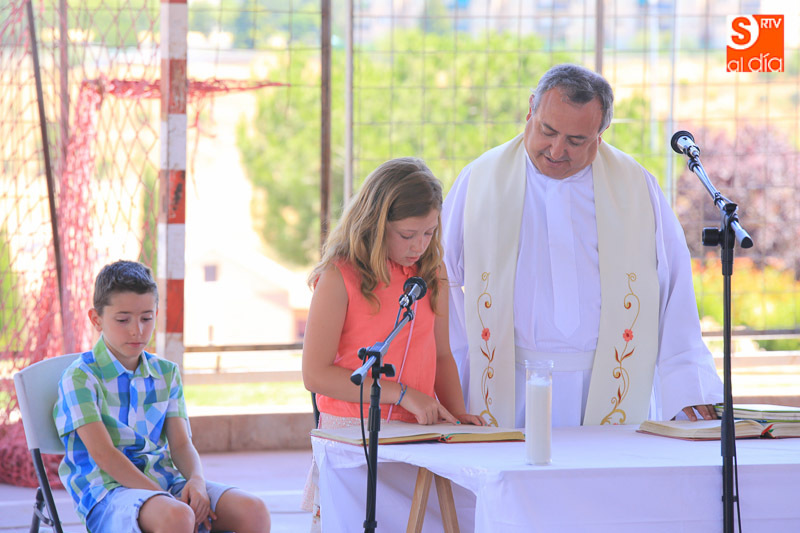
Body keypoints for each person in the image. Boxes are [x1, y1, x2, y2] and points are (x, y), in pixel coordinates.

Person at [442, 63, 723, 429]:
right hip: (507, 385)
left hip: (609, 383)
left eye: (576, 141)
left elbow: (673, 288)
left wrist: (687, 383)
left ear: (600, 135)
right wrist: (453, 368)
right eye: (548, 130)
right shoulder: (481, 180)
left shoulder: (635, 187)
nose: (557, 149)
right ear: (530, 111)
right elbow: (440, 277)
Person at [301, 157, 483, 528]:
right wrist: (401, 394)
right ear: (375, 222)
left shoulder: (432, 272)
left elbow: (442, 355)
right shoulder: (338, 277)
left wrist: (455, 413)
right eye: (407, 234)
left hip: (417, 433)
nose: (420, 245)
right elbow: (316, 375)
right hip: (352, 436)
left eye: (429, 233)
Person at [54, 260, 270, 533]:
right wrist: (165, 498)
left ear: (156, 313)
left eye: (146, 318)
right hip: (107, 493)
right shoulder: (79, 378)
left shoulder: (166, 373)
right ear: (96, 319)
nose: (137, 330)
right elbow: (104, 455)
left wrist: (196, 481)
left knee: (254, 511)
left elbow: (181, 444)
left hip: (166, 483)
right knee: (177, 517)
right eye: (122, 320)